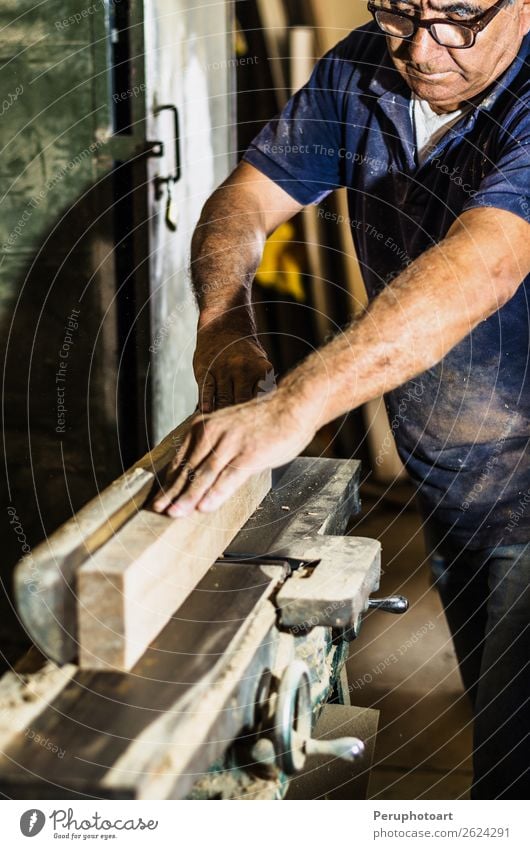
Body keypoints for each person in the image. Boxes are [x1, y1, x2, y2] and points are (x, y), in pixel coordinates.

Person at [153, 0, 530, 798]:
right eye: (400, 12)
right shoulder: (364, 66)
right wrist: (224, 320)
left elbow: (487, 262)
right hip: (458, 487)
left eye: (460, 17)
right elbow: (247, 200)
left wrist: (294, 407)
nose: (423, 50)